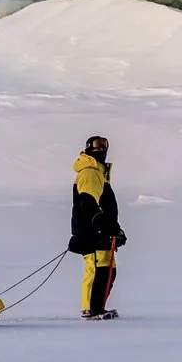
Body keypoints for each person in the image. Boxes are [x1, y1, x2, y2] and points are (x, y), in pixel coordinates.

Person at [71, 135, 127, 320]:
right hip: (92, 232)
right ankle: (91, 309)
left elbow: (106, 204)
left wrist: (115, 228)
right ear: (89, 148)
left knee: (107, 269)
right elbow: (88, 202)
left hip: (102, 231)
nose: (101, 149)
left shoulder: (99, 172)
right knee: (97, 269)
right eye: (97, 146)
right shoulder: (89, 172)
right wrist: (100, 223)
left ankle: (97, 307)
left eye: (104, 145)